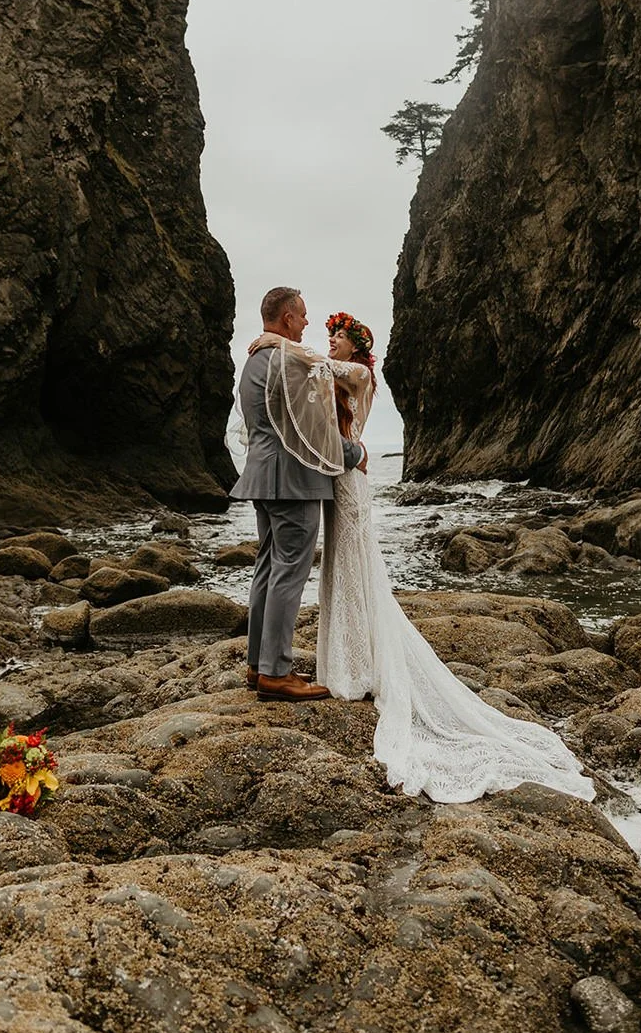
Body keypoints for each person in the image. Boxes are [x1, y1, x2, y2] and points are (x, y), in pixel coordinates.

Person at [248, 311, 595, 804]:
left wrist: (273, 341)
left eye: (338, 336)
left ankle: (345, 663)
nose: (327, 340)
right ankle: (330, 661)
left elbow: (317, 372)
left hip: (347, 480)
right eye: (325, 333)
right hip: (330, 476)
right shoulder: (317, 365)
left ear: (358, 346)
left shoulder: (360, 374)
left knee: (352, 566)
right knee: (337, 572)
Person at [230, 287, 368, 703]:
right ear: (287, 317)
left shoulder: (252, 361)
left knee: (267, 569)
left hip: (262, 477)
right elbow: (312, 428)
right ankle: (276, 673)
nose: (307, 323)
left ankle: (258, 665)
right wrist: (353, 453)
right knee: (289, 572)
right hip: (292, 480)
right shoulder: (288, 360)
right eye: (303, 316)